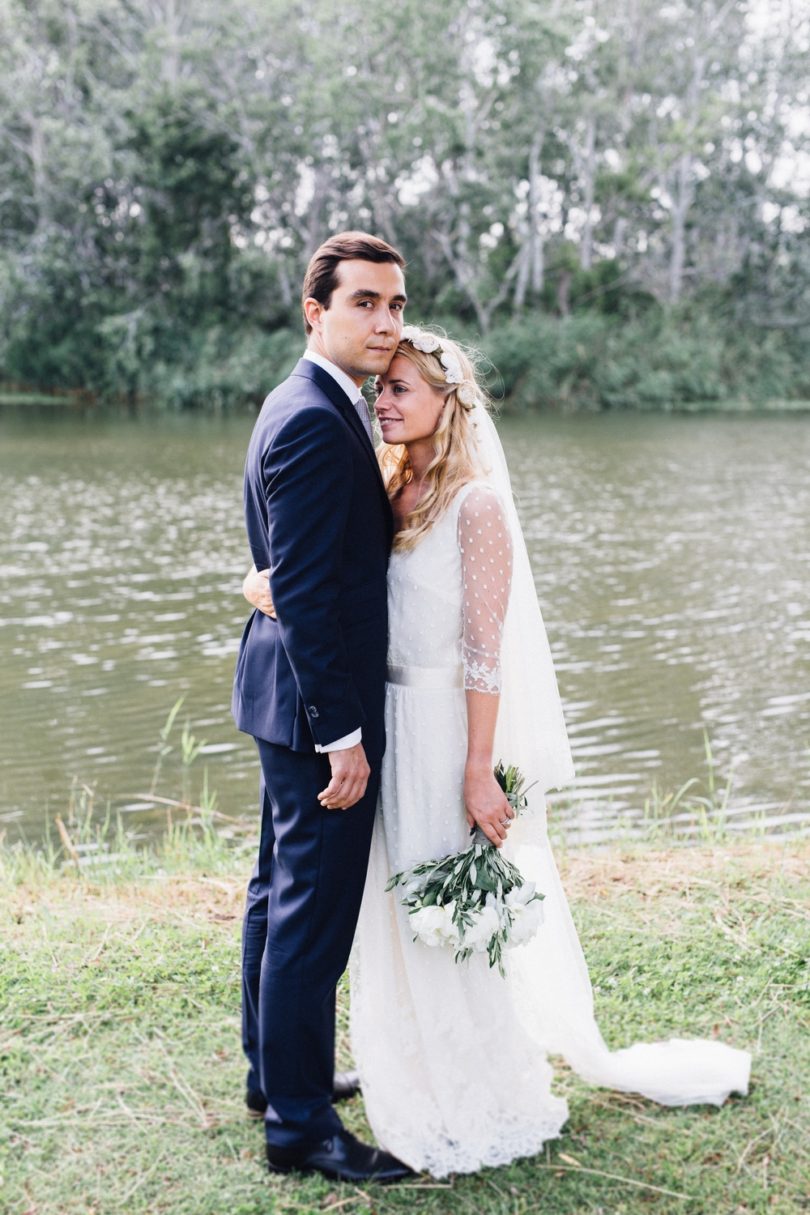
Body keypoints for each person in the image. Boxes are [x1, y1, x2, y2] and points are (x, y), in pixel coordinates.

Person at [243, 325, 752, 1177]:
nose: (386, 400)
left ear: (451, 401)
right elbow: (320, 576)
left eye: (404, 387)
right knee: (385, 914)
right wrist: (262, 584)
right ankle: (393, 1065)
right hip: (382, 726)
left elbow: (485, 653)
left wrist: (480, 768)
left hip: (441, 733)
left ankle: (468, 1084)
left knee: (440, 923)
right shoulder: (388, 483)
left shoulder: (476, 505)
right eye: (384, 387)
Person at [231, 231, 412, 1183]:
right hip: (313, 710)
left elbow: (284, 564)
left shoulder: (306, 403)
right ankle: (299, 1128)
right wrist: (341, 735)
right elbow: (302, 586)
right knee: (310, 912)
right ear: (317, 311)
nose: (385, 322)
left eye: (394, 304)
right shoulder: (310, 415)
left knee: (277, 893)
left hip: (281, 693)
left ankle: (276, 1077)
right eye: (364, 303)